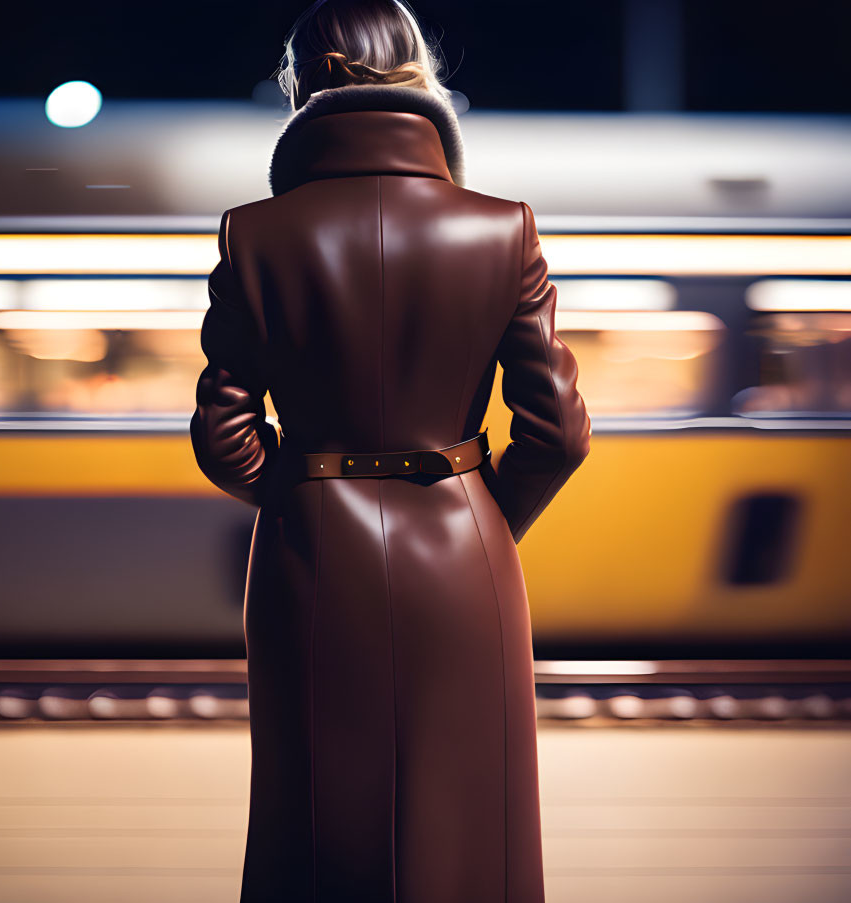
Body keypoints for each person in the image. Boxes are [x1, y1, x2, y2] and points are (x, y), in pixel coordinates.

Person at [189, 1, 591, 900]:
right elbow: (556, 433)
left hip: (310, 561)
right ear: (415, 74)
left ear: (310, 79)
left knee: (315, 818)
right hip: (464, 555)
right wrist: (478, 519)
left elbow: (224, 440)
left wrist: (306, 499)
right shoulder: (502, 227)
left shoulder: (253, 233)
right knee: (469, 824)